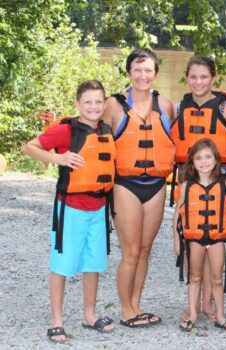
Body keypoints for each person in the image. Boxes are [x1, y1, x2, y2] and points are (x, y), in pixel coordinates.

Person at [22, 80, 115, 343]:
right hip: (71, 208)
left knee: (93, 263)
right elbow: (29, 147)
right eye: (88, 102)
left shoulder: (106, 130)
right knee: (62, 265)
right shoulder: (66, 130)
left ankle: (89, 315)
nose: (94, 106)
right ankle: (57, 321)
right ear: (78, 104)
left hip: (99, 208)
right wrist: (58, 159)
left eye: (98, 101)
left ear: (105, 104)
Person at [103, 48, 176, 327]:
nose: (143, 75)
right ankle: (125, 310)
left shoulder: (166, 106)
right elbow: (94, 136)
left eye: (148, 70)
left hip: (156, 185)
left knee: (145, 249)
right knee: (131, 250)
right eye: (137, 69)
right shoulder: (114, 105)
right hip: (125, 185)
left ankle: (136, 304)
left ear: (156, 73)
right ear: (128, 72)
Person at [171, 56, 226, 320]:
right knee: (193, 233)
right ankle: (194, 304)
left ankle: (209, 303)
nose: (198, 82)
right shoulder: (180, 106)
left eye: (204, 77)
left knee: (214, 233)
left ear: (213, 78)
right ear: (187, 77)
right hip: (189, 177)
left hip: (221, 176)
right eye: (193, 77)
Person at [173, 139, 226, 332]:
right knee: (194, 277)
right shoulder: (186, 187)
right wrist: (177, 240)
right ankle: (193, 314)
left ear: (216, 160)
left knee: (217, 278)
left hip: (217, 239)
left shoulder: (225, 185)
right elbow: (177, 215)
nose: (204, 161)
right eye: (199, 158)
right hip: (194, 240)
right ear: (192, 162)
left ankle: (220, 316)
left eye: (208, 157)